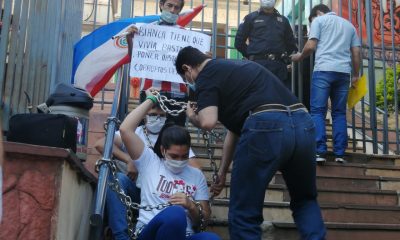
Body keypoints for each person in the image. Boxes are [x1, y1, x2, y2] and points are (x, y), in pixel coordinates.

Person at [175, 46, 326, 240]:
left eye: (185, 78)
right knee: (305, 200)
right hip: (303, 123)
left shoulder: (206, 74)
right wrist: (222, 172)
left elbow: (208, 121)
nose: (189, 83)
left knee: (244, 211)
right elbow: (235, 131)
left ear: (187, 68)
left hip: (266, 125)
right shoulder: (237, 67)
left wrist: (192, 116)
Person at [118, 88, 220, 240]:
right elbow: (125, 129)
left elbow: (202, 222)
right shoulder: (150, 162)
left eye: (184, 156)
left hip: (185, 235)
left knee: (211, 239)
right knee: (176, 214)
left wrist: (191, 206)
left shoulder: (196, 175)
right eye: (174, 156)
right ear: (163, 150)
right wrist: (151, 100)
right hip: (150, 233)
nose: (179, 161)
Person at [95, 102, 201, 239]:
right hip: (136, 190)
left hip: (162, 195)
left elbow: (195, 169)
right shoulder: (137, 133)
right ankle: (121, 236)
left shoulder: (172, 138)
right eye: (152, 115)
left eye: (161, 115)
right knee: (117, 179)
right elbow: (101, 143)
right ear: (144, 116)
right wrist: (128, 159)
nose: (157, 118)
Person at [291, 4, 361, 163]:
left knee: (317, 111)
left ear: (318, 12)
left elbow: (311, 45)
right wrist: (356, 75)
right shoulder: (349, 26)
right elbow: (356, 53)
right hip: (343, 73)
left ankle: (320, 151)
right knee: (339, 113)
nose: (312, 22)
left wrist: (300, 56)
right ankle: (339, 154)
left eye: (311, 19)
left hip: (323, 70)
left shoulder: (319, 21)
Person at [127, 0, 189, 126]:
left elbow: (191, 64)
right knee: (147, 133)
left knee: (175, 135)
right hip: (150, 91)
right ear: (161, 5)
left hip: (177, 93)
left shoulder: (185, 34)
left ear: (179, 10)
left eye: (176, 7)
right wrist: (129, 39)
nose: (172, 10)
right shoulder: (145, 29)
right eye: (169, 5)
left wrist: (203, 57)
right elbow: (135, 58)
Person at [234, 0, 297, 89]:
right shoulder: (250, 18)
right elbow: (239, 42)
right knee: (257, 96)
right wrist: (251, 55)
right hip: (257, 65)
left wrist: (286, 61)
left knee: (278, 98)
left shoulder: (283, 21)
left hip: (278, 67)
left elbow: (291, 45)